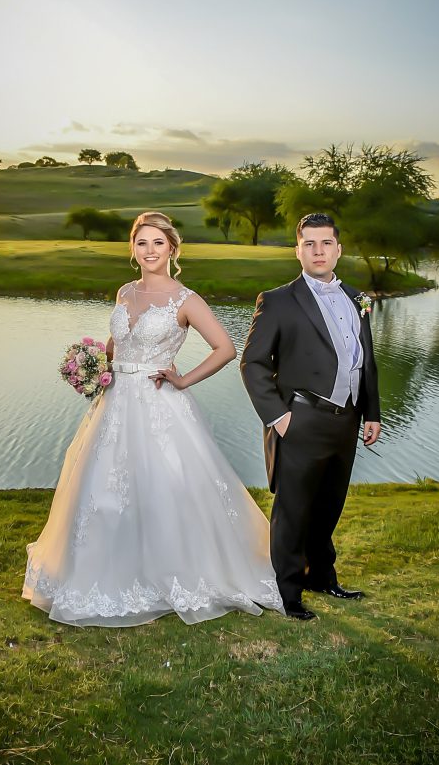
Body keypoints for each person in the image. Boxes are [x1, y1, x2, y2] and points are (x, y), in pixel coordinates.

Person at [23, 211, 284, 626]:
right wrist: (93, 364)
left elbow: (224, 348)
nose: (149, 251)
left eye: (157, 243)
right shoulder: (124, 291)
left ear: (172, 249)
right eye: (142, 243)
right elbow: (117, 341)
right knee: (103, 488)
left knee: (165, 484)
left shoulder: (186, 299)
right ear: (133, 249)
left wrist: (184, 379)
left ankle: (178, 571)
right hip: (113, 402)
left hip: (159, 404)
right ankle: (102, 570)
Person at [240, 213, 381, 621]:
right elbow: (252, 364)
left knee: (329, 505)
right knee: (293, 510)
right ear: (298, 250)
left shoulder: (359, 298)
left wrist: (371, 411)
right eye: (309, 244)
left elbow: (366, 361)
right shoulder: (279, 300)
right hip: (301, 418)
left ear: (338, 248)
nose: (318, 251)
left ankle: (322, 576)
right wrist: (279, 418)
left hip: (347, 421)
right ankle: (288, 594)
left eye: (326, 243)